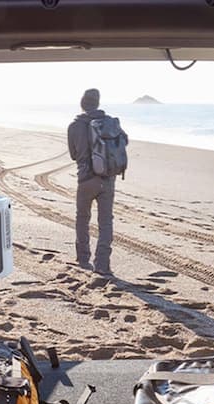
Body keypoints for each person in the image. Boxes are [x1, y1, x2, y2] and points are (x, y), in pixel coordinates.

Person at [67, 88, 127, 276]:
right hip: (107, 178)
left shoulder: (74, 126)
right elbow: (124, 141)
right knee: (106, 222)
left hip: (85, 179)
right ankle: (102, 263)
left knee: (82, 218)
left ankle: (83, 259)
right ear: (98, 103)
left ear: (82, 103)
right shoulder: (109, 122)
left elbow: (73, 155)